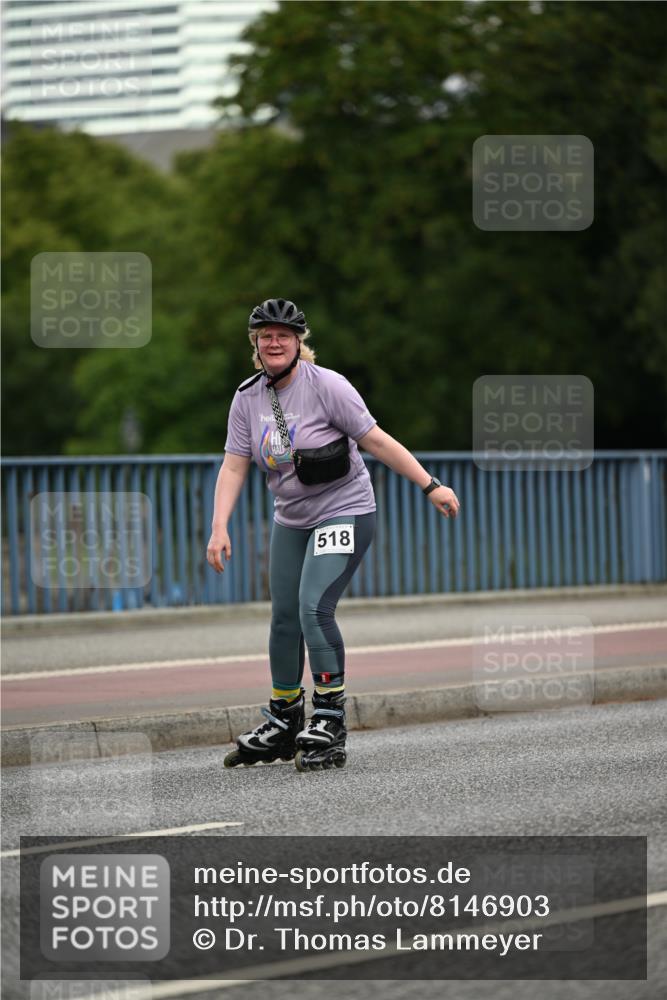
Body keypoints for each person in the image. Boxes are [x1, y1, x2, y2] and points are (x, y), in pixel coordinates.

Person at [207, 298, 459, 772]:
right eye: (266, 336)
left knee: (312, 607)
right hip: (292, 517)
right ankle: (284, 718)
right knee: (284, 616)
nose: (275, 342)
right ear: (255, 346)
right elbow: (235, 464)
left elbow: (377, 441)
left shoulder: (328, 387)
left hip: (345, 510)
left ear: (300, 343)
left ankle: (329, 718)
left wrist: (431, 484)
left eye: (284, 335)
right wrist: (219, 526)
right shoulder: (247, 398)